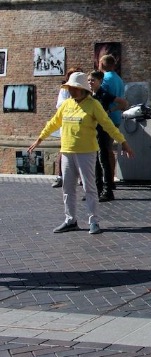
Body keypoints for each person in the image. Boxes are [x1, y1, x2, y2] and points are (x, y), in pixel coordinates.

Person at [28, 72, 134, 235]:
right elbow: (54, 122)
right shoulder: (67, 104)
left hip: (86, 152)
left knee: (89, 187)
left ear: (83, 89)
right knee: (67, 188)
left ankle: (94, 221)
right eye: (69, 88)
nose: (71, 91)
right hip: (67, 151)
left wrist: (123, 142)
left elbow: (108, 124)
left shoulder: (93, 104)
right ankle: (70, 220)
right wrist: (40, 138)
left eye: (74, 88)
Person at [88, 71, 128, 202]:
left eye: (92, 80)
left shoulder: (104, 94)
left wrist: (110, 111)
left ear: (100, 81)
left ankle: (107, 190)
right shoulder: (88, 95)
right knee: (95, 161)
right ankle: (97, 189)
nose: (90, 83)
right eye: (88, 80)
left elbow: (123, 103)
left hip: (102, 129)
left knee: (103, 159)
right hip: (92, 130)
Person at [51, 66, 84, 188]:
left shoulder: (84, 89)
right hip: (67, 125)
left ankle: (81, 176)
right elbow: (59, 105)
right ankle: (61, 176)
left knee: (81, 151)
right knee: (64, 150)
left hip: (81, 125)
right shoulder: (65, 89)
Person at [98, 54, 124, 194]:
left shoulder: (105, 80)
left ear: (103, 64)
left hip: (106, 119)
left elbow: (102, 97)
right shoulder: (119, 79)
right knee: (108, 150)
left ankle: (107, 180)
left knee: (103, 151)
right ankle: (111, 179)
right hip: (116, 118)